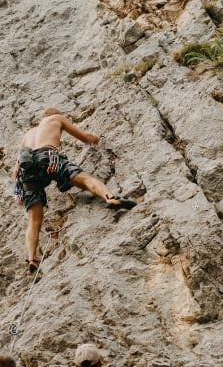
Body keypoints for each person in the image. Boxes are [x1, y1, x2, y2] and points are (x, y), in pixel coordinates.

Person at [15, 108, 136, 271]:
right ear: (56, 114)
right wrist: (98, 139)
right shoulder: (56, 119)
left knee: (34, 220)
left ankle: (32, 259)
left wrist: (18, 191)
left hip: (27, 172)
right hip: (49, 158)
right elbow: (85, 138)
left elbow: (17, 169)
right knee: (85, 179)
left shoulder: (27, 135)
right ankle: (110, 198)